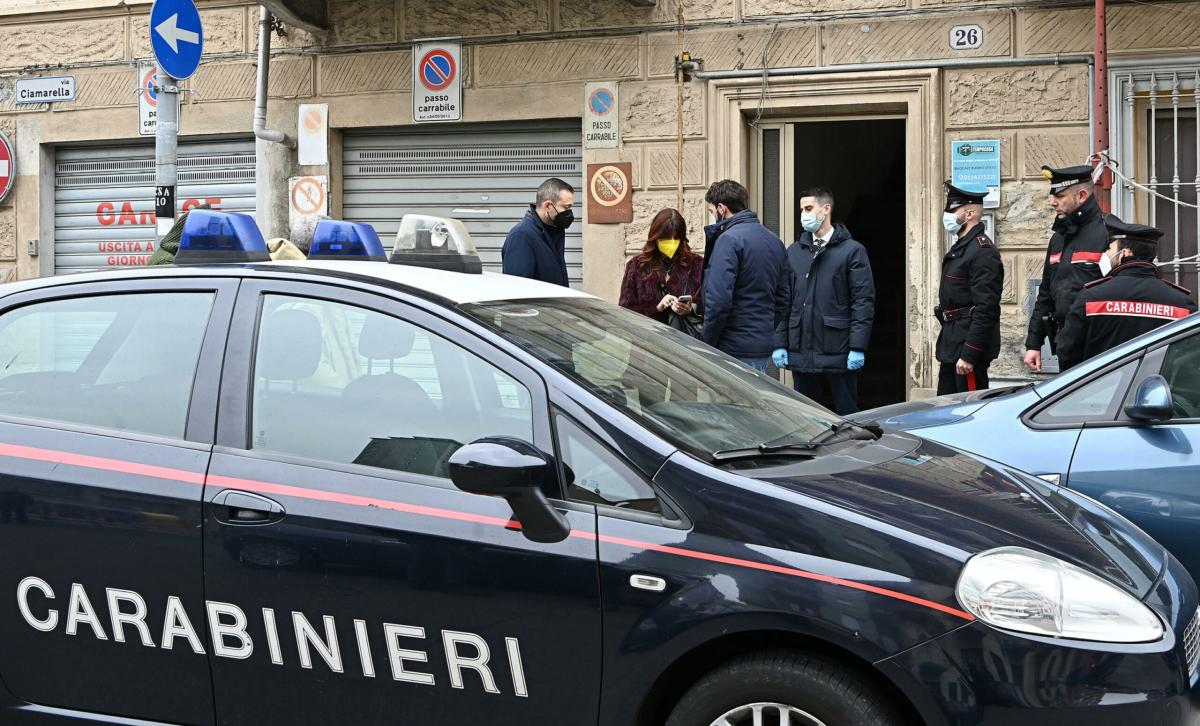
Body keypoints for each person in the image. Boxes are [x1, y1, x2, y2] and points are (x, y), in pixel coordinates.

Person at [773, 187, 875, 415]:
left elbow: (862, 301)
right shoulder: (794, 252)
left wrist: (857, 346)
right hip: (801, 348)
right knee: (806, 415)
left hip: (837, 348)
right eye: (801, 209)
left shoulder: (852, 251)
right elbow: (783, 301)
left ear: (826, 208)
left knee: (846, 412)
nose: (804, 214)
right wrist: (780, 342)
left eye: (808, 208)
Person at [1057, 216, 1197, 365]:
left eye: (1109, 248)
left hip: (1103, 387)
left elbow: (1067, 353)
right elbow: (1191, 358)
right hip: (1157, 387)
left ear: (1126, 252)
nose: (1106, 255)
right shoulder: (1182, 304)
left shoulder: (1091, 297)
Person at [1024, 164, 1108, 372]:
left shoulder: (1108, 233)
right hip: (1065, 342)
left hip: (1098, 343)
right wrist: (1033, 343)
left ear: (1081, 196)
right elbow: (1045, 293)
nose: (1052, 202)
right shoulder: (1059, 238)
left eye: (1060, 196)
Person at [700, 179, 790, 373]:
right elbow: (783, 298)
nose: (712, 216)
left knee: (727, 403)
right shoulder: (774, 241)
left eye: (711, 211)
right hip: (761, 345)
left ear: (721, 208)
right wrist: (762, 328)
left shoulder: (728, 240)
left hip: (732, 348)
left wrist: (706, 343)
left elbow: (719, 302)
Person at [934, 182, 1003, 394]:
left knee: (969, 413)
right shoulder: (962, 248)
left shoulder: (982, 251)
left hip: (966, 350)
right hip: (953, 343)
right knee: (944, 413)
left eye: (953, 210)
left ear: (970, 213)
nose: (948, 216)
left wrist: (969, 354)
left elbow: (986, 308)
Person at [619, 208, 702, 325]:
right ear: (655, 236)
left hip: (684, 339)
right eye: (666, 238)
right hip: (648, 339)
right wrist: (657, 307)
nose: (672, 242)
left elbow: (708, 305)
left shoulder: (695, 264)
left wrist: (690, 309)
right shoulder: (637, 266)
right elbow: (625, 310)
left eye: (676, 238)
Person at [501, 178, 575, 286]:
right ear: (548, 206)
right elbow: (517, 290)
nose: (569, 213)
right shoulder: (522, 236)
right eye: (566, 207)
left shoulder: (555, 231)